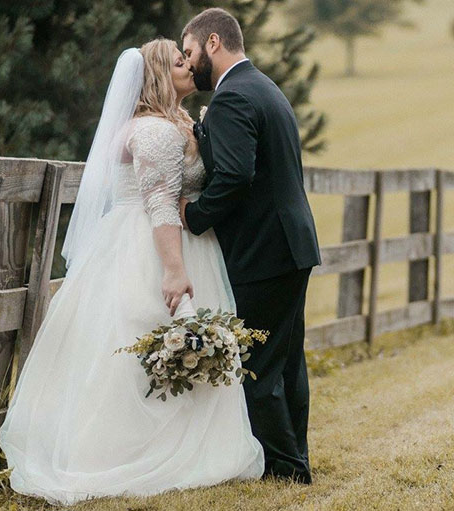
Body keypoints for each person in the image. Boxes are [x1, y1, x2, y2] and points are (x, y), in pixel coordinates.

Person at [0, 38, 263, 507]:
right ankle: (129, 450)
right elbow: (159, 202)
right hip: (151, 247)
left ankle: (190, 445)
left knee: (169, 341)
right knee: (140, 339)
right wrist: (175, 271)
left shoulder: (177, 122)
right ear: (160, 75)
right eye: (180, 62)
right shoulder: (155, 132)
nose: (189, 67)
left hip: (175, 241)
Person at [180, 8, 321, 484]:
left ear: (213, 43)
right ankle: (293, 457)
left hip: (265, 250)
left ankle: (286, 469)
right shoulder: (265, 88)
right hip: (291, 245)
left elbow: (237, 176)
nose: (189, 61)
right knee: (286, 362)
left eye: (190, 51)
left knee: (258, 363)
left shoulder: (233, 97)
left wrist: (195, 217)